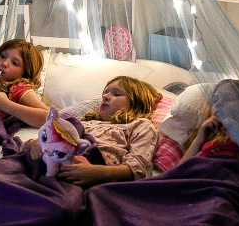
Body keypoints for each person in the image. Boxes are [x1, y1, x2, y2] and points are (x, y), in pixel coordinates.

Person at [24, 75, 162, 186]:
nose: (106, 96)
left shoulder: (140, 125)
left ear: (137, 102)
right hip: (44, 160)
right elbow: (48, 136)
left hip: (81, 171)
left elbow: (140, 167)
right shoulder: (82, 121)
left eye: (116, 94)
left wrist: (98, 173)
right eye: (105, 93)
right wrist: (34, 145)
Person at [180, 79, 239, 164]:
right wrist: (198, 141)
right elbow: (176, 175)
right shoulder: (206, 136)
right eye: (215, 100)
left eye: (228, 99)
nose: (218, 103)